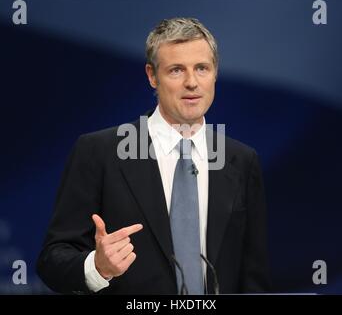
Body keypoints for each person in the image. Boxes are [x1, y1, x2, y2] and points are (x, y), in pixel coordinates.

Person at [36, 17, 271, 294]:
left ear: (215, 73)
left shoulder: (241, 160)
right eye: (176, 70)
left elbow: (254, 277)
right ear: (152, 76)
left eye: (202, 68)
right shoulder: (99, 152)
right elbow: (52, 259)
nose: (192, 82)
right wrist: (97, 267)